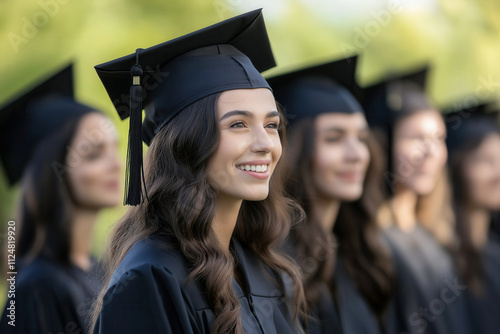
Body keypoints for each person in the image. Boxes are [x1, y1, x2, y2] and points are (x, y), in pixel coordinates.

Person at [91, 10, 307, 334]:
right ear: (187, 143)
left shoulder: (262, 266)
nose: (265, 143)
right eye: (238, 124)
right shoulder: (150, 278)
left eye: (272, 125)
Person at [267, 56, 395, 334]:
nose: (356, 155)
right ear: (296, 151)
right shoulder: (273, 261)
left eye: (361, 138)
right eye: (334, 138)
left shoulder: (357, 250)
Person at [0, 64, 122, 333]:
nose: (116, 164)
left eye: (116, 148)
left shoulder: (99, 270)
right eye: (93, 154)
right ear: (54, 170)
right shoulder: (38, 287)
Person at [362, 68, 471, 334]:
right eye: (416, 138)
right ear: (383, 144)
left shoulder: (436, 234)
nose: (430, 152)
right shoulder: (370, 241)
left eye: (439, 139)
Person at [445, 102, 500, 334]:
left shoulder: (495, 254)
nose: (499, 172)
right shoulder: (440, 261)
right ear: (456, 168)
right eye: (486, 161)